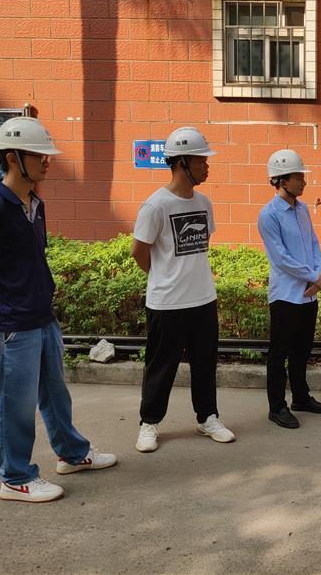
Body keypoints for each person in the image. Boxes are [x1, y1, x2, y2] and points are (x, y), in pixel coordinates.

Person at [0, 116, 117, 503]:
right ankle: (15, 477)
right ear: (13, 158)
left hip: (41, 316)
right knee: (13, 405)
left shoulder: (34, 203)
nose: (48, 161)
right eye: (39, 155)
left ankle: (72, 454)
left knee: (54, 393)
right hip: (12, 324)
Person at [130, 126, 235, 452]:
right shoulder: (156, 206)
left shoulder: (204, 202)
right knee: (161, 366)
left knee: (205, 363)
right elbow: (139, 251)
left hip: (203, 298)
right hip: (167, 303)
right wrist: (162, 276)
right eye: (201, 160)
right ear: (181, 163)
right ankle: (149, 423)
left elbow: (200, 248)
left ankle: (208, 417)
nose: (207, 166)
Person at [257, 149, 321, 429]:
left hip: (308, 295)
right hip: (286, 296)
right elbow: (281, 258)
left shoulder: (302, 209)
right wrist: (314, 277)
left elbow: (313, 243)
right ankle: (277, 407)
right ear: (281, 180)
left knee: (302, 350)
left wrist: (318, 274)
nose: (303, 181)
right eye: (298, 177)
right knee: (279, 354)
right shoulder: (268, 215)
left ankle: (301, 397)